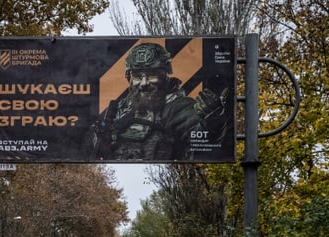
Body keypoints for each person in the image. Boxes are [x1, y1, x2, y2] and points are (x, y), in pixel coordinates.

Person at [89, 42, 227, 161]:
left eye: (152, 75)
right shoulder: (115, 111)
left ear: (165, 76)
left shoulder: (179, 107)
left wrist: (213, 121)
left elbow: (202, 139)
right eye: (137, 76)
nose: (144, 83)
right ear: (129, 79)